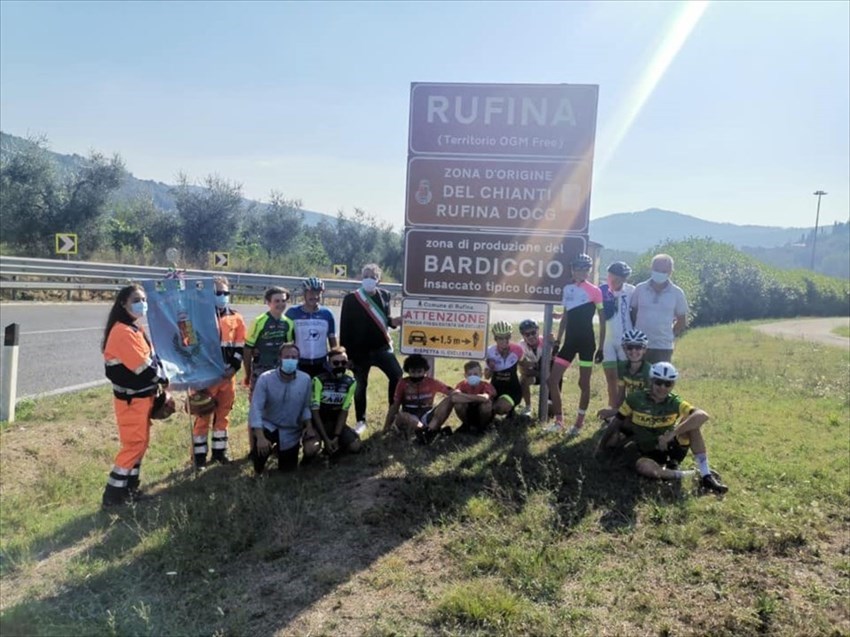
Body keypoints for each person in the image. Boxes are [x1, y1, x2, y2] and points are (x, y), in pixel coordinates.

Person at [597, 362, 729, 494]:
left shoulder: (675, 401)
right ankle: (691, 474)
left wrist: (672, 434)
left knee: (693, 424)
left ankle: (706, 475)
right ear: (651, 381)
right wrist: (601, 446)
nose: (662, 387)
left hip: (670, 447)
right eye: (658, 382)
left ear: (673, 385)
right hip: (647, 451)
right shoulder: (634, 399)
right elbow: (616, 422)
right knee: (644, 468)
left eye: (668, 384)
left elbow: (702, 415)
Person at [101, 284, 168, 508]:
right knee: (133, 444)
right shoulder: (122, 331)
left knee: (140, 443)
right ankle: (113, 495)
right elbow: (145, 369)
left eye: (143, 299)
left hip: (141, 398)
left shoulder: (135, 328)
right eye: (136, 300)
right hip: (131, 400)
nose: (142, 304)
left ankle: (130, 488)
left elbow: (153, 360)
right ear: (123, 304)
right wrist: (166, 379)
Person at [339, 263, 402, 435]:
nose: (369, 279)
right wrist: (347, 355)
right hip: (359, 351)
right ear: (361, 278)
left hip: (381, 347)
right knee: (360, 385)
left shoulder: (386, 295)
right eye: (365, 276)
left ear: (379, 280)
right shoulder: (352, 299)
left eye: (372, 277)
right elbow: (345, 328)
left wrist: (394, 322)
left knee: (397, 375)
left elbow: (385, 319)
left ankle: (393, 415)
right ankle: (361, 420)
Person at [546, 253, 604, 437]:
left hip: (587, 342)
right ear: (572, 269)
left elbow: (602, 321)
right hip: (570, 342)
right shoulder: (568, 288)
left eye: (585, 268)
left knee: (583, 383)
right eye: (578, 268)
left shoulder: (595, 290)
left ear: (589, 271)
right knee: (552, 380)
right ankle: (559, 421)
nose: (581, 272)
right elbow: (566, 316)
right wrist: (558, 340)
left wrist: (601, 347)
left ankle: (578, 424)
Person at [191, 276, 246, 468]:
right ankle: (198, 458)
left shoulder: (236, 318)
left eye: (225, 293)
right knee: (202, 416)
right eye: (217, 293)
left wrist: (233, 368)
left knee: (223, 416)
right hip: (204, 378)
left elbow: (239, 347)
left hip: (226, 377)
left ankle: (219, 453)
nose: (222, 296)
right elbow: (188, 345)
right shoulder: (196, 318)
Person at [248, 342, 317, 474]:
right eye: (287, 357)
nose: (290, 360)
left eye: (294, 357)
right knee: (259, 459)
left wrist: (308, 426)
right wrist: (260, 437)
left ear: (298, 360)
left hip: (291, 430)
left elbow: (306, 407)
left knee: (287, 471)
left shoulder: (305, 379)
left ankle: (280, 452)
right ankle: (260, 463)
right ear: (279, 358)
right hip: (269, 425)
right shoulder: (265, 379)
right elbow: (256, 408)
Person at [629, 253, 689, 364]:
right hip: (638, 345)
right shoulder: (640, 289)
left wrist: (669, 334)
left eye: (664, 271)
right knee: (639, 380)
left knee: (659, 380)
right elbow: (633, 313)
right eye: (657, 269)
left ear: (670, 272)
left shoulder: (677, 293)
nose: (660, 273)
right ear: (651, 268)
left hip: (663, 347)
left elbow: (682, 320)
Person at [384, 354, 454, 444]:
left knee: (449, 400)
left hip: (427, 416)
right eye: (413, 372)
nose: (416, 375)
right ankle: (431, 432)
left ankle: (427, 433)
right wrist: (385, 428)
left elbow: (451, 391)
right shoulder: (403, 383)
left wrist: (465, 396)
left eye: (419, 371)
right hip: (410, 416)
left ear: (425, 371)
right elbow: (395, 406)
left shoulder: (431, 382)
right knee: (402, 416)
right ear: (408, 371)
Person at [597, 262, 636, 411]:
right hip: (607, 341)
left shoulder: (632, 291)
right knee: (611, 378)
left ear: (624, 279)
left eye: (617, 280)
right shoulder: (601, 290)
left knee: (625, 379)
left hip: (626, 341)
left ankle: (625, 409)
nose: (612, 282)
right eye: (610, 278)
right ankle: (612, 408)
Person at [310, 346, 362, 457]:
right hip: (318, 423)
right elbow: (315, 412)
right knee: (311, 448)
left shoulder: (351, 382)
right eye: (336, 363)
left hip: (335, 422)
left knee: (355, 446)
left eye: (344, 363)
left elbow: (344, 411)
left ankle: (337, 446)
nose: (340, 366)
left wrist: (336, 436)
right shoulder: (318, 380)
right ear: (328, 364)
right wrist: (326, 439)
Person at [243, 286, 295, 395]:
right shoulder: (258, 321)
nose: (280, 304)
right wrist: (248, 374)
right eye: (277, 301)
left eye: (283, 301)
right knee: (258, 402)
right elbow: (247, 349)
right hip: (261, 368)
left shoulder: (289, 323)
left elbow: (289, 349)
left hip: (280, 369)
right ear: (268, 302)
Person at [286, 277, 338, 378]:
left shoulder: (327, 314)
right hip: (299, 363)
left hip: (321, 363)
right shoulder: (293, 313)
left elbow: (332, 339)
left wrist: (336, 359)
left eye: (318, 293)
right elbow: (285, 339)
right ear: (304, 294)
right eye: (311, 293)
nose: (314, 296)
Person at [597, 329, 652, 422]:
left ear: (644, 349)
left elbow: (650, 401)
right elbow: (621, 394)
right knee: (614, 427)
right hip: (630, 408)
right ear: (624, 349)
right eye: (630, 347)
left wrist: (614, 412)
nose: (634, 351)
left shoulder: (649, 371)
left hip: (646, 410)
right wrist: (615, 410)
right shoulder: (622, 367)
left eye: (638, 347)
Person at [484, 321, 524, 418]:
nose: (504, 341)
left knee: (500, 407)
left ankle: (510, 409)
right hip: (495, 389)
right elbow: (486, 376)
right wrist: (491, 368)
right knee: (485, 408)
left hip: (512, 390)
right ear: (495, 338)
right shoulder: (490, 351)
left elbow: (525, 366)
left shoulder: (517, 350)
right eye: (500, 338)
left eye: (507, 337)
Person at [452, 360, 496, 435]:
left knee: (486, 405)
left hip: (483, 414)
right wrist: (477, 398)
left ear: (481, 375)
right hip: (468, 412)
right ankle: (466, 425)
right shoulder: (462, 384)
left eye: (475, 374)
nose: (473, 376)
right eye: (470, 374)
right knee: (458, 405)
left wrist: (463, 395)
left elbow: (485, 398)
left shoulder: (486, 385)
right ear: (465, 375)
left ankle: (483, 427)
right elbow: (454, 398)